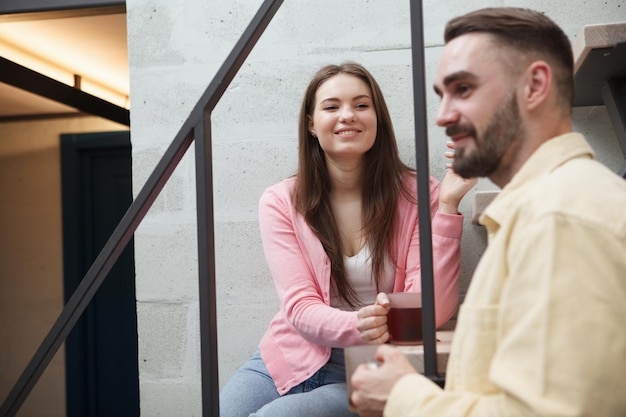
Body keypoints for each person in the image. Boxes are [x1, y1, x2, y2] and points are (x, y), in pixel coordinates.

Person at [350, 7, 626, 417]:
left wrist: (404, 399)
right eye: (441, 95)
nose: (443, 115)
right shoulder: (541, 210)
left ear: (534, 85)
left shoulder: (561, 220)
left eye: (463, 89)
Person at [219, 62, 475, 417]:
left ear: (377, 118)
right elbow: (299, 307)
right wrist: (358, 323)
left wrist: (448, 205)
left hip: (375, 363)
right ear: (311, 124)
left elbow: (432, 309)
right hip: (289, 354)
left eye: (361, 105)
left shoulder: (421, 194)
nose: (347, 116)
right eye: (331, 106)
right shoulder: (281, 201)